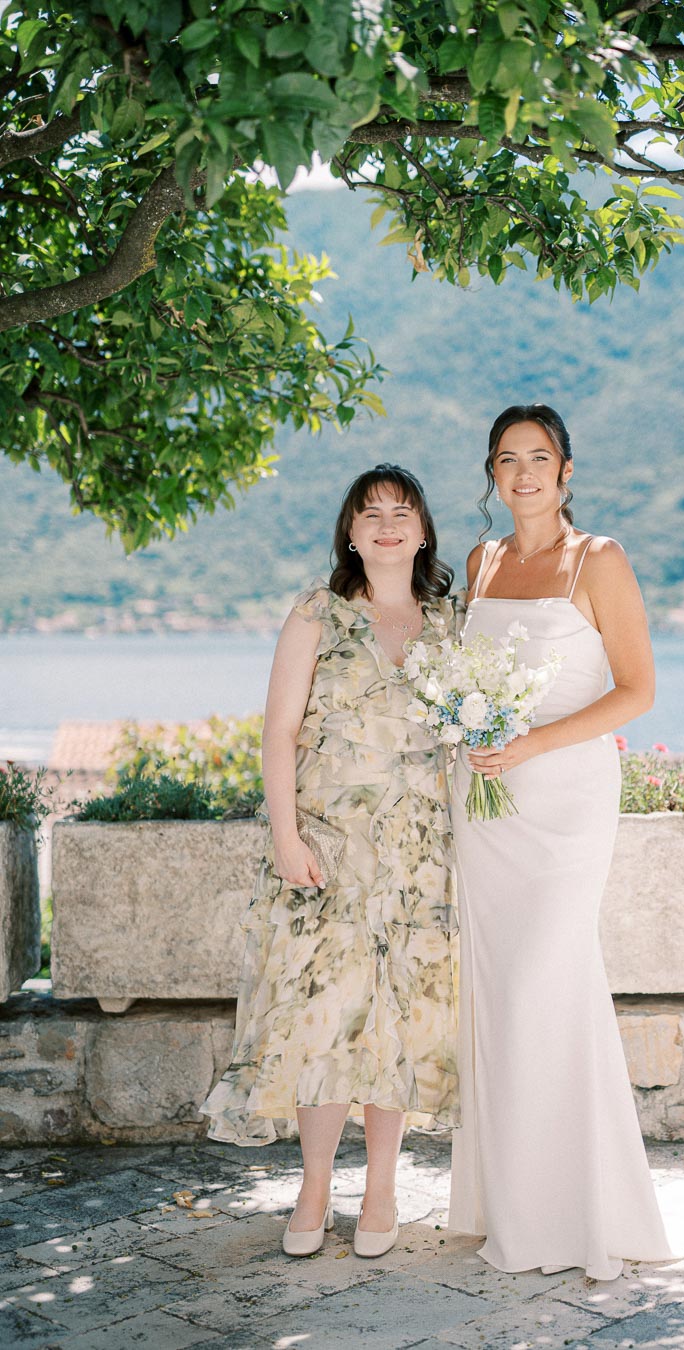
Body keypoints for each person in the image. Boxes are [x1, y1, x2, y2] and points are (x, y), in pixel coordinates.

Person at [448, 404, 684, 1279]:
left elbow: (637, 691)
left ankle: (577, 1212)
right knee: (500, 994)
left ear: (566, 472)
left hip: (563, 804)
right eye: (507, 459)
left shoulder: (601, 560)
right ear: (492, 473)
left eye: (540, 458)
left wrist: (531, 745)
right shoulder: (480, 565)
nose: (523, 474)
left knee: (545, 986)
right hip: (484, 807)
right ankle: (513, 1204)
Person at [202, 464, 460, 1260]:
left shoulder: (450, 625)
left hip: (420, 858)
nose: (386, 525)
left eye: (401, 512)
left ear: (422, 532)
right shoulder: (316, 613)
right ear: (350, 531)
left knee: (399, 1026)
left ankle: (381, 1186)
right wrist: (287, 839)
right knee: (320, 1023)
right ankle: (315, 1185)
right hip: (327, 851)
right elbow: (279, 732)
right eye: (370, 512)